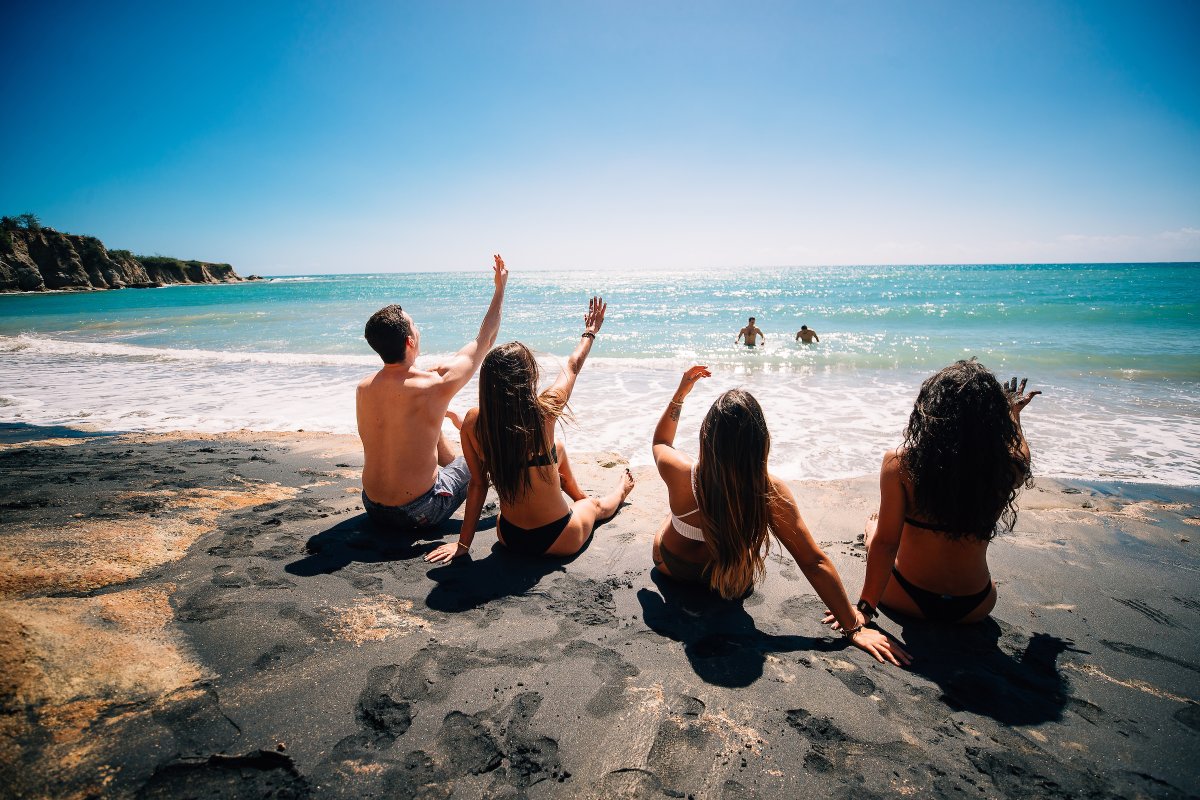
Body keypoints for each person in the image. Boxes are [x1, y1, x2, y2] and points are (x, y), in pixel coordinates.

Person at [651, 366, 910, 666]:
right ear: (761, 443)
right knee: (731, 527)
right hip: (729, 581)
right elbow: (812, 562)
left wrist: (681, 393)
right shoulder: (770, 493)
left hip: (673, 568)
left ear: (706, 438)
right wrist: (853, 626)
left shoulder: (682, 473)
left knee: (670, 522)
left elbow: (660, 442)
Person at [425, 297, 635, 562]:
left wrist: (463, 544)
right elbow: (573, 365)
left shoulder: (473, 422)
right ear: (528, 379)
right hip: (559, 537)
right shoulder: (544, 413)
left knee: (555, 449)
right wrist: (590, 332)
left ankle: (576, 493)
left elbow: (477, 484)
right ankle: (619, 491)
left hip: (509, 536)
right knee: (593, 506)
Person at [840, 361, 1040, 627]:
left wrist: (864, 608)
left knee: (877, 532)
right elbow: (1021, 454)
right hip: (975, 605)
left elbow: (887, 545)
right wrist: (1013, 415)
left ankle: (869, 530)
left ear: (932, 410)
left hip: (905, 597)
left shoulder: (900, 464)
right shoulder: (1007, 467)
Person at [357, 254, 508, 533]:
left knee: (429, 419)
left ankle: (449, 466)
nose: (419, 328)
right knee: (483, 451)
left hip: (373, 507)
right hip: (420, 512)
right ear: (410, 340)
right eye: (415, 325)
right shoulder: (433, 387)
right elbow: (484, 340)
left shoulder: (364, 388)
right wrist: (500, 290)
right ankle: (521, 499)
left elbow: (411, 392)